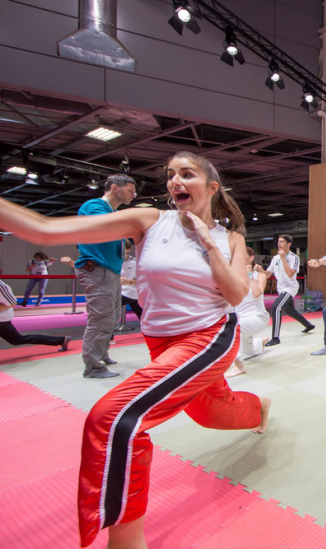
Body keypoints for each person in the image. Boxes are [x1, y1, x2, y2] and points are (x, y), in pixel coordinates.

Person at [0, 151, 272, 548]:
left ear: (212, 188)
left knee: (113, 420)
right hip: (160, 341)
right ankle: (258, 406)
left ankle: (126, 541)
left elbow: (234, 295)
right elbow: (44, 229)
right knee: (209, 413)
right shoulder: (148, 220)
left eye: (186, 174)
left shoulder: (229, 238)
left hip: (210, 336)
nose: (175, 181)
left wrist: (207, 244)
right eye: (170, 175)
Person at [74, 173, 136, 378]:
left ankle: (101, 354)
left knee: (111, 316)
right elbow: (105, 225)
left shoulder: (112, 211)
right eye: (130, 190)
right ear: (114, 188)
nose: (133, 195)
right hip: (98, 269)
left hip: (109, 271)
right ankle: (92, 367)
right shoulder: (95, 206)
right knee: (100, 318)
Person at [225, 248, 271, 377]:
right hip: (242, 319)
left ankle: (239, 366)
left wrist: (249, 274)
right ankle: (259, 342)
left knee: (231, 329)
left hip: (257, 318)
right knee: (249, 352)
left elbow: (257, 293)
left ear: (251, 258)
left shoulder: (259, 275)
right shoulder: (235, 276)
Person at [264, 234, 315, 346]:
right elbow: (268, 273)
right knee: (291, 311)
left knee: (276, 307)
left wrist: (283, 259)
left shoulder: (294, 258)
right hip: (280, 288)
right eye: (278, 242)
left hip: (290, 288)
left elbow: (291, 273)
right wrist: (260, 271)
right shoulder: (275, 258)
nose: (279, 244)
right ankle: (308, 325)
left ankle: (275, 337)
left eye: (282, 242)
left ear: (289, 244)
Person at [1, 279, 71, 350]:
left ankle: (61, 340)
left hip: (2, 320)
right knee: (16, 340)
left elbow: (12, 302)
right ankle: (61, 340)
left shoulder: (2, 287)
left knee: (16, 340)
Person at [119, 240, 143, 320]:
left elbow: (144, 280)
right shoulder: (114, 262)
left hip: (132, 291)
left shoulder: (135, 262)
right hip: (118, 291)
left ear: (128, 249)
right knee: (140, 312)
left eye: (123, 248)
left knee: (112, 305)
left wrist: (129, 282)